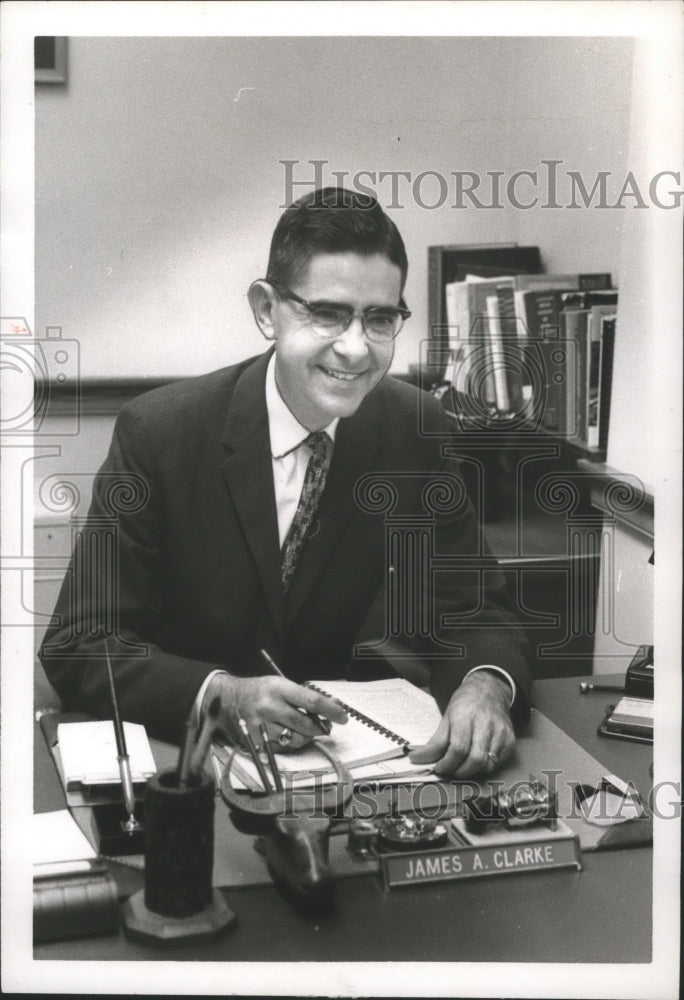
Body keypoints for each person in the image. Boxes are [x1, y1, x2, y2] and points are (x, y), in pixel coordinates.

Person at [40, 187, 531, 778]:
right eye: (326, 313)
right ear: (267, 309)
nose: (354, 348)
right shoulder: (160, 432)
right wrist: (221, 693)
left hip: (340, 770)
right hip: (186, 769)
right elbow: (78, 641)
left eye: (379, 319)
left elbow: (477, 610)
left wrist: (485, 686)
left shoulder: (414, 429)